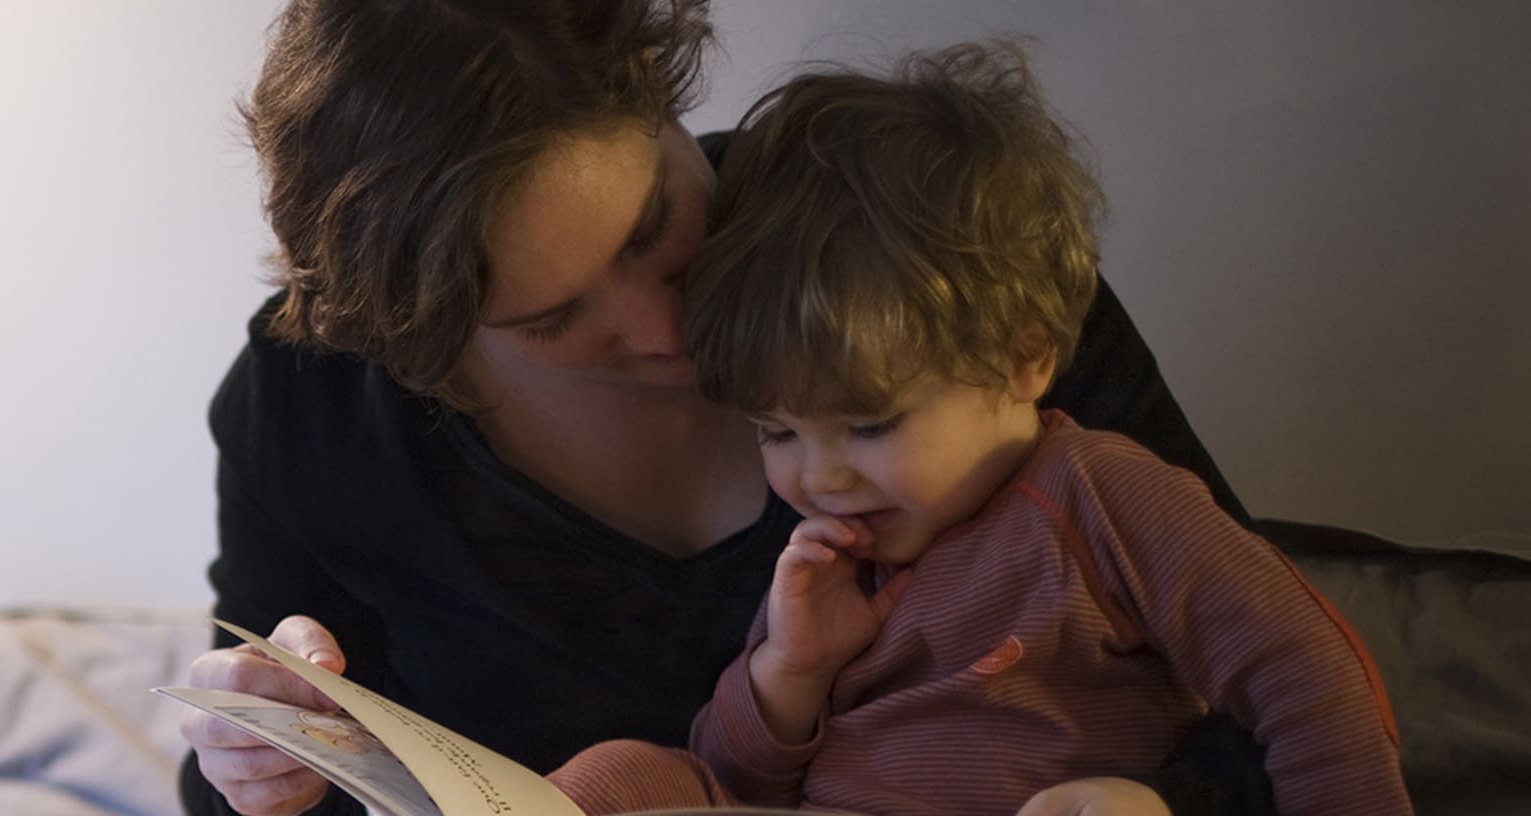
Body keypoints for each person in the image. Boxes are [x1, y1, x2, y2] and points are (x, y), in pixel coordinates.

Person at [180, 2, 1271, 814]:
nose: (666, 335)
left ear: (660, 100)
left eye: (653, 224)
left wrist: (1172, 805)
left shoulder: (914, 247)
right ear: (420, 336)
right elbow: (224, 778)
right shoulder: (310, 413)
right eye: (553, 320)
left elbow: (1265, 684)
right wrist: (264, 761)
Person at [537, 41, 1407, 816]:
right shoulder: (837, 560)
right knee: (617, 777)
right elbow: (739, 775)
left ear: (1025, 357)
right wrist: (790, 672)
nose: (820, 478)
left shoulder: (1102, 496)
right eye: (776, 432)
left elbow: (1304, 668)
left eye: (870, 422)